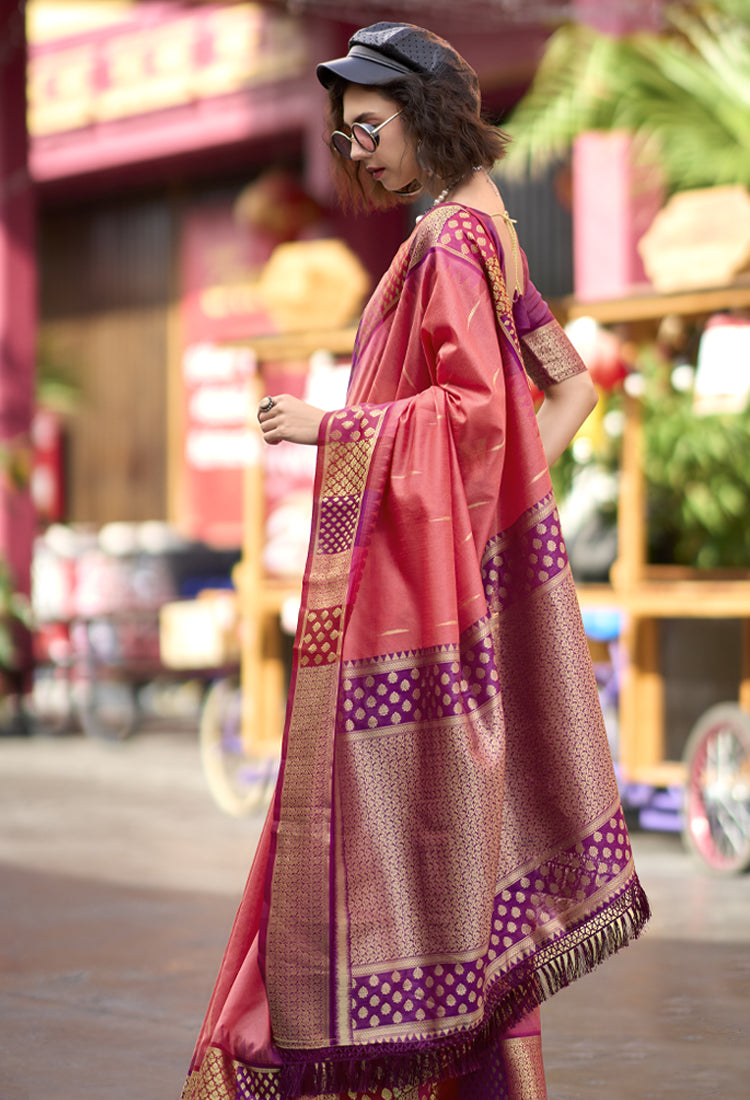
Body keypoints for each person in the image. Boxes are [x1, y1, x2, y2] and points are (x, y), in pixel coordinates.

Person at [180, 22, 650, 1100]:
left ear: (426, 112)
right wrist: (491, 511)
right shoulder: (499, 233)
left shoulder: (446, 245)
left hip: (412, 601)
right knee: (459, 849)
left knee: (382, 834)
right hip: (453, 574)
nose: (360, 155)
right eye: (348, 137)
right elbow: (563, 393)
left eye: (371, 128)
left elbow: (478, 416)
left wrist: (330, 428)